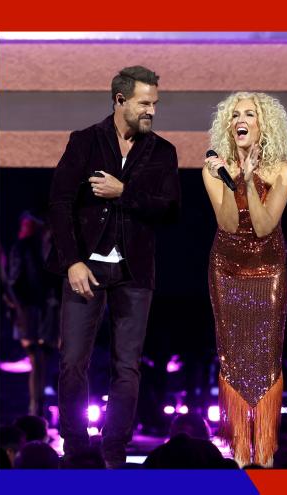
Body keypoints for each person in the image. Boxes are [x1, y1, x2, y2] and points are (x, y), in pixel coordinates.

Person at [47, 65, 180, 468]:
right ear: (120, 100)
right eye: (144, 103)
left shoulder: (162, 152)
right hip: (84, 267)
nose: (151, 111)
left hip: (134, 271)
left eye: (155, 103)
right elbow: (59, 203)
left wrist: (126, 192)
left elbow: (170, 210)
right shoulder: (85, 141)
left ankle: (113, 450)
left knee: (127, 366)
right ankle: (75, 448)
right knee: (72, 361)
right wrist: (72, 261)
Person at [203, 92, 287, 467]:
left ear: (263, 125)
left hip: (268, 269)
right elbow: (227, 223)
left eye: (250, 114)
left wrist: (249, 179)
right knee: (234, 358)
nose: (241, 119)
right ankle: (242, 456)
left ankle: (267, 458)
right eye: (235, 114)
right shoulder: (214, 170)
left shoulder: (283, 172)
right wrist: (232, 179)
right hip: (227, 271)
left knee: (266, 358)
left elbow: (262, 225)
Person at [5, 212, 60, 417]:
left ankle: (38, 407)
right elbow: (14, 281)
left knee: (42, 359)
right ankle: (35, 408)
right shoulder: (24, 247)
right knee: (36, 358)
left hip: (45, 309)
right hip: (28, 310)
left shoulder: (50, 248)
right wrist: (19, 309)